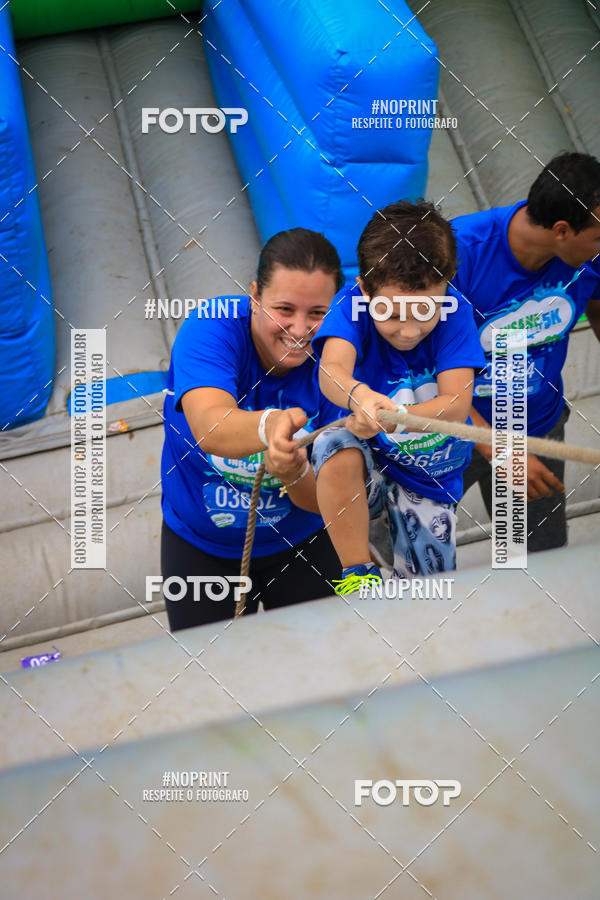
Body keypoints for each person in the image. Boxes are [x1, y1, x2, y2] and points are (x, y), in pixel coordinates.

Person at [160, 228, 345, 630]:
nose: (300, 329)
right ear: (255, 296)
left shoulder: (339, 355)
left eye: (317, 313)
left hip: (302, 541)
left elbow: (327, 500)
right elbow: (210, 427)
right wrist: (271, 424)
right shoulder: (213, 326)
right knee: (210, 666)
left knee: (323, 659)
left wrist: (293, 471)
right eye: (284, 309)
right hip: (203, 547)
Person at [311, 201, 485, 594]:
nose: (408, 331)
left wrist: (396, 415)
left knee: (428, 596)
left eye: (424, 313)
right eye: (391, 315)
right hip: (370, 464)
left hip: (430, 474)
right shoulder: (349, 306)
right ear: (364, 290)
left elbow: (456, 404)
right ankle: (357, 573)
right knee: (332, 443)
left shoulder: (456, 312)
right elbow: (330, 370)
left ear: (448, 285)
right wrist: (360, 396)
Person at [454, 152, 600, 551]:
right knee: (409, 557)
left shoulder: (590, 257)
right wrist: (499, 450)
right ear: (562, 230)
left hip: (536, 427)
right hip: (446, 435)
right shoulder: (457, 253)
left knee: (537, 564)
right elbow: (419, 367)